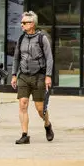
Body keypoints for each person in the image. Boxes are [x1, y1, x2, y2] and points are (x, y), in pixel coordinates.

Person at [12, 10, 54, 143]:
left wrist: (48, 76)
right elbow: (16, 58)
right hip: (23, 76)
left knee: (40, 109)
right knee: (23, 104)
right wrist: (14, 75)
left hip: (39, 76)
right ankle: (25, 135)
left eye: (24, 22)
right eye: (21, 22)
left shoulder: (42, 38)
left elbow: (49, 58)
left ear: (32, 24)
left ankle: (47, 124)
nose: (22, 25)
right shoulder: (21, 39)